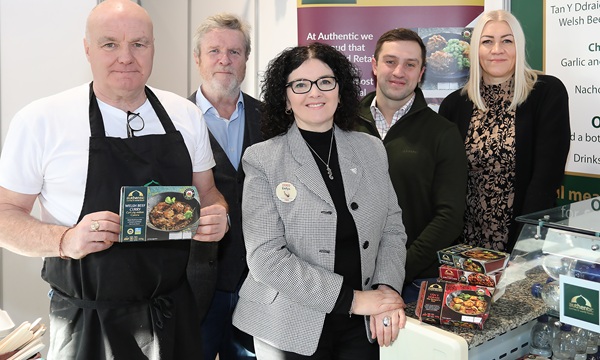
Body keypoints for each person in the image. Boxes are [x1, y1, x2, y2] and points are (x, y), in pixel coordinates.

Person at [0, 1, 229, 359]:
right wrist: (65, 239)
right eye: (110, 44)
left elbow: (208, 193)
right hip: (86, 323)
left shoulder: (185, 115)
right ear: (87, 48)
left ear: (153, 47)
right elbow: (4, 216)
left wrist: (219, 215)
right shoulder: (41, 119)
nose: (126, 57)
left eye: (139, 44)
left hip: (173, 314)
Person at [232, 42, 408, 359]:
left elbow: (392, 231)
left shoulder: (371, 149)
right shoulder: (263, 159)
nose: (315, 92)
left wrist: (386, 290)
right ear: (285, 98)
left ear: (339, 91)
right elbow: (265, 258)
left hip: (362, 323)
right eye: (300, 84)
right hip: (288, 323)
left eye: (325, 82)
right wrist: (353, 300)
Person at [439, 9, 570, 253]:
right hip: (464, 246)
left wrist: (524, 247)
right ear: (475, 49)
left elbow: (546, 179)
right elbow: (444, 183)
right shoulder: (453, 104)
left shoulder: (546, 93)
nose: (497, 49)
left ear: (518, 46)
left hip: (526, 240)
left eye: (507, 40)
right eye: (487, 41)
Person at [354, 28, 468, 303]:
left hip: (414, 283)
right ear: (374, 65)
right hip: (349, 282)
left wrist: (396, 270)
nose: (398, 72)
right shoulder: (342, 124)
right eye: (390, 61)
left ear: (421, 72)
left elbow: (449, 218)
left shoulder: (443, 133)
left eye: (410, 64)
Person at [188, 12, 261, 360]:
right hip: (192, 286)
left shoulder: (274, 119)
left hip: (259, 284)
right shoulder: (172, 120)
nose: (224, 60)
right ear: (198, 59)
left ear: (246, 59)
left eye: (234, 52)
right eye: (214, 50)